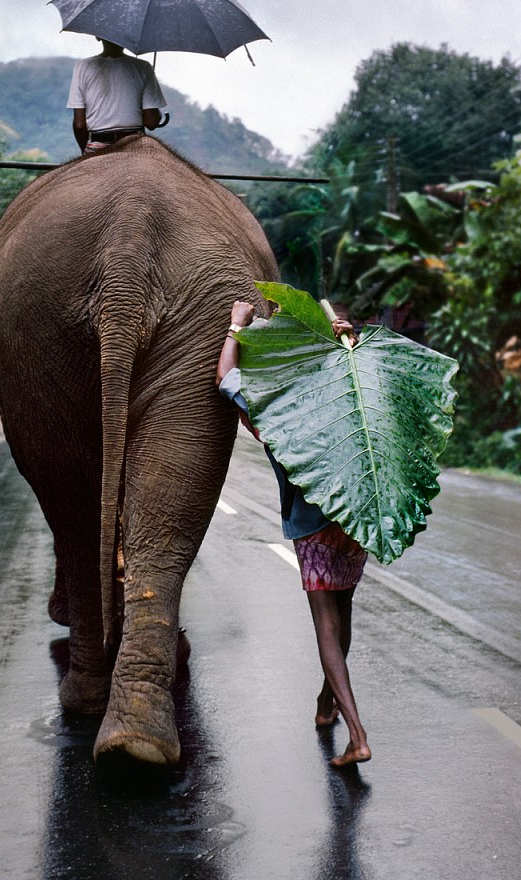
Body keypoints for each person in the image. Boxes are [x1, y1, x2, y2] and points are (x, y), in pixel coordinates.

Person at [216, 300, 372, 768]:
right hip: (357, 518)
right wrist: (352, 344)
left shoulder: (280, 404)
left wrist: (236, 326)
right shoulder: (344, 387)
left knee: (326, 629)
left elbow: (225, 378)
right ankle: (327, 706)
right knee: (343, 617)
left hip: (314, 527)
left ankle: (358, 736)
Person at [67, 37, 167, 154]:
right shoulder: (143, 67)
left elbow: (79, 126)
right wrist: (156, 111)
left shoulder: (82, 66)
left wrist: (85, 151)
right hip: (134, 143)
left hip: (97, 142)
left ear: (98, 37)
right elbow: (151, 123)